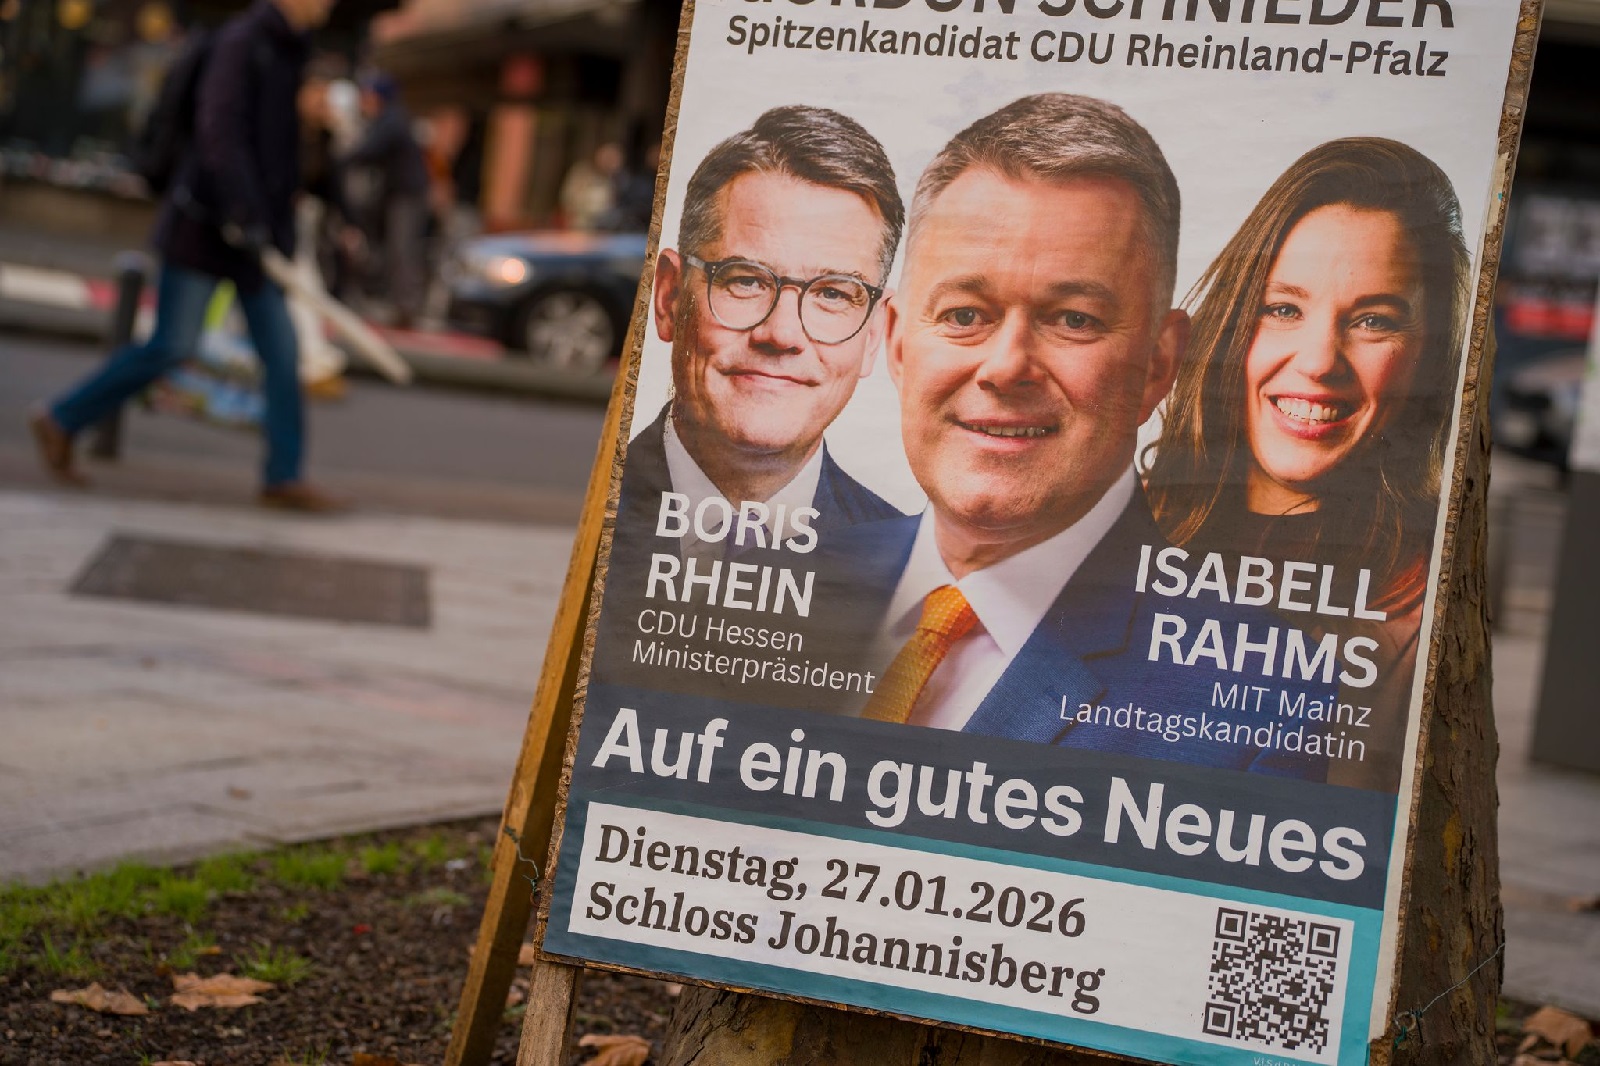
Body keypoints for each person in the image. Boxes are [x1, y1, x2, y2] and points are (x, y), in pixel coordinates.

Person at [852, 93, 1320, 778]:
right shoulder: (757, 583)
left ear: (1159, 363)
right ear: (894, 342)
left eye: (1073, 319)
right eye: (963, 314)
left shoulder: (1259, 713)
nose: (1006, 366)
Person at [1143, 138, 1469, 789]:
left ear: (1429, 357)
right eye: (1284, 308)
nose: (1320, 361)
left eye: (1374, 320)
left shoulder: (1417, 593)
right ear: (1236, 320)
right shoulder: (1124, 516)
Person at [588, 105, 906, 704]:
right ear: (668, 297)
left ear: (873, 336)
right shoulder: (582, 519)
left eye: (834, 293)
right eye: (745, 280)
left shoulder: (916, 582)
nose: (782, 333)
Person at [28, 0, 341, 510]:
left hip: (253, 238)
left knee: (283, 354)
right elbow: (219, 129)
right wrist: (243, 211)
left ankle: (284, 475)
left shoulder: (290, 51)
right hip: (207, 225)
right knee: (172, 345)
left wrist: (272, 223)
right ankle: (61, 418)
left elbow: (276, 152)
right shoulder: (245, 42)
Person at [342, 72, 430, 329]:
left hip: (407, 195)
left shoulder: (391, 120)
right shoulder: (387, 119)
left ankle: (407, 308)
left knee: (402, 249)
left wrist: (340, 158)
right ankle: (400, 304)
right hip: (396, 194)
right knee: (394, 248)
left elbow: (367, 150)